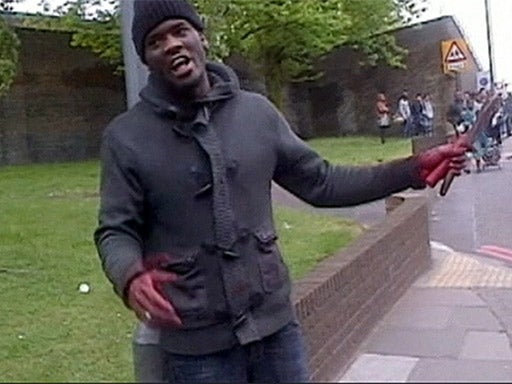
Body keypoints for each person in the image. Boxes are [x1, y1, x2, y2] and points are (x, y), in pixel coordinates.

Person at [93, 1, 471, 382]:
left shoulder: (256, 114)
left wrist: (411, 170)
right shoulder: (125, 138)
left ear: (202, 38)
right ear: (146, 59)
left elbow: (322, 182)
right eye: (156, 41)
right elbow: (115, 229)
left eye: (180, 31)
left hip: (276, 334)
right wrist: (129, 274)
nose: (172, 44)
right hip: (196, 348)